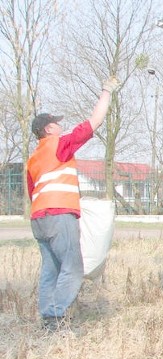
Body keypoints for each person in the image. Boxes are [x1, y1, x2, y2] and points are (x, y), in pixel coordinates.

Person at [27, 77, 120, 331]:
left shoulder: (33, 158)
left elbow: (32, 192)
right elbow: (94, 123)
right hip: (59, 216)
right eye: (57, 122)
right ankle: (56, 317)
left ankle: (47, 318)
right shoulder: (59, 145)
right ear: (48, 129)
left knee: (50, 269)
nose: (60, 125)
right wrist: (107, 91)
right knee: (73, 268)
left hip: (39, 219)